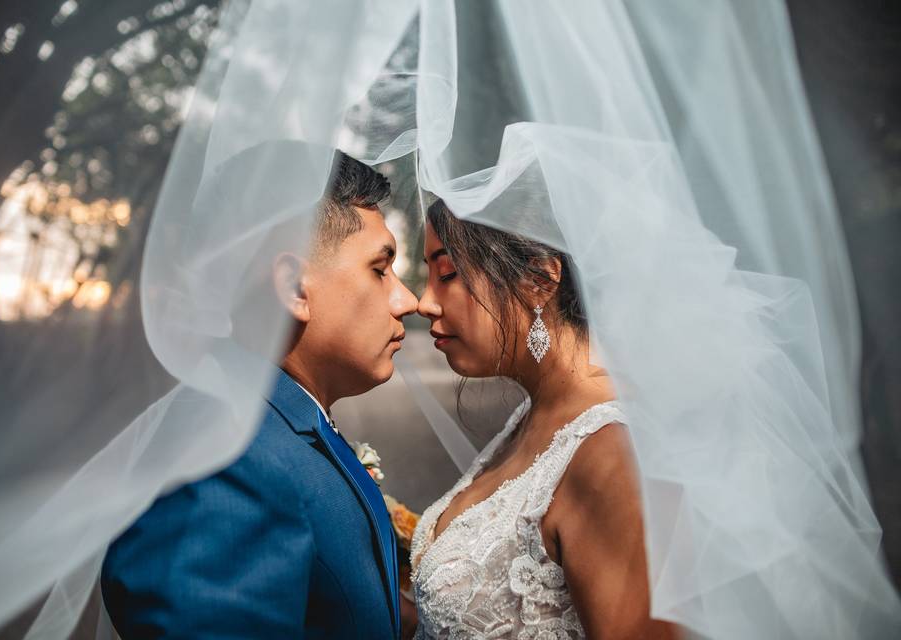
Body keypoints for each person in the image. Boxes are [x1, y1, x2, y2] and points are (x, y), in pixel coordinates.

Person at [100, 150, 418, 639]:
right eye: (379, 270)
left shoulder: (282, 423)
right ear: (293, 287)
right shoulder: (226, 463)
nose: (407, 300)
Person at [410, 200, 678, 639]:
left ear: (539, 279)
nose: (425, 303)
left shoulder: (612, 449)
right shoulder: (531, 417)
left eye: (448, 274)